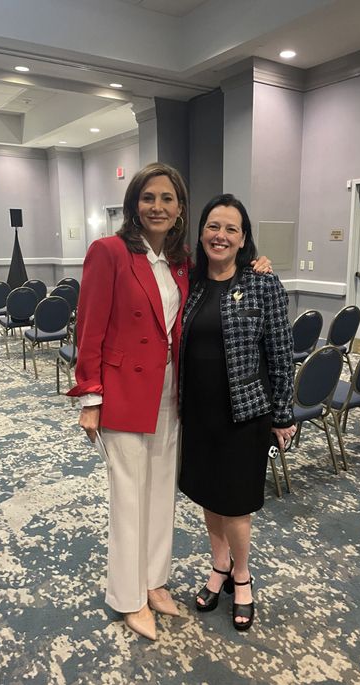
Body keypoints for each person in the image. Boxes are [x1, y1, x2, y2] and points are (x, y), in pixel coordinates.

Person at [67, 164, 271, 641]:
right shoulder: (109, 252)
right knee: (129, 499)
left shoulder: (180, 261)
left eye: (167, 199)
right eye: (148, 198)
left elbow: (224, 270)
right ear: (133, 204)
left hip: (171, 395)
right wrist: (91, 397)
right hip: (121, 396)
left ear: (180, 209)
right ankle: (128, 596)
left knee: (161, 495)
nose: (157, 207)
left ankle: (154, 582)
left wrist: (257, 264)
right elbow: (89, 328)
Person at [178, 193, 296, 631]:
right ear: (202, 232)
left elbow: (281, 353)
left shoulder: (263, 282)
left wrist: (283, 413)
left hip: (244, 414)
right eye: (213, 226)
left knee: (236, 503)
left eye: (231, 228)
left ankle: (242, 576)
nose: (220, 235)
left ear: (243, 237)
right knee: (208, 494)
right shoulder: (191, 282)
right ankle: (219, 565)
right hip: (196, 412)